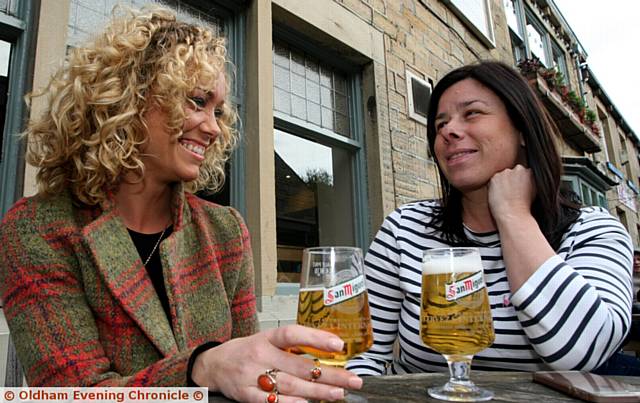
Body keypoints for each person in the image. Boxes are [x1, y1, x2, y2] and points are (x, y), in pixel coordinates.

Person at [0, 7, 363, 402]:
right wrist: (199, 368)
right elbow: (69, 394)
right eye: (195, 102)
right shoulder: (37, 229)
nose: (212, 127)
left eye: (218, 110)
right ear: (128, 98)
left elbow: (246, 372)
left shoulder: (225, 230)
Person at [346, 61, 633, 375]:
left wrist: (513, 215)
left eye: (472, 113)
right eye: (440, 124)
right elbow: (360, 355)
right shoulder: (405, 228)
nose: (448, 131)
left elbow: (583, 352)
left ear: (522, 128)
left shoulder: (592, 230)